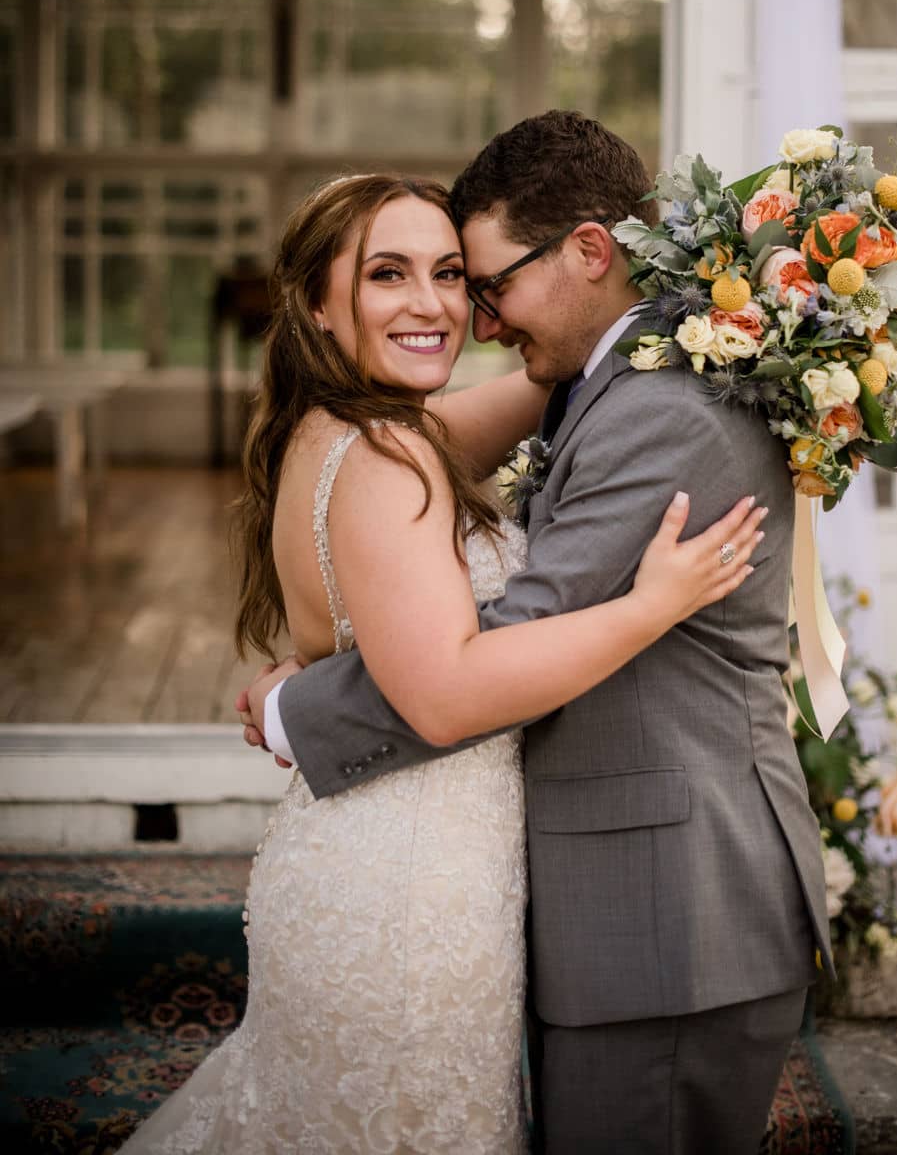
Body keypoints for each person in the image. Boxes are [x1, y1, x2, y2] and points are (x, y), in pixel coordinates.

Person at [121, 170, 764, 1155]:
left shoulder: (365, 430)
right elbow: (446, 696)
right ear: (320, 308)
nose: (433, 305)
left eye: (453, 275)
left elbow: (545, 378)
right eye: (388, 275)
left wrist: (639, 319)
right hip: (403, 896)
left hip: (404, 859)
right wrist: (651, 606)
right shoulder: (383, 454)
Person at [246, 114, 834, 1155]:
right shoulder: (407, 433)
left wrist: (300, 710)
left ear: (591, 252)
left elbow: (499, 644)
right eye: (396, 276)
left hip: (668, 914)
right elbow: (461, 654)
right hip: (486, 890)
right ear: (319, 307)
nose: (461, 314)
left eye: (475, 283)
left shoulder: (659, 406)